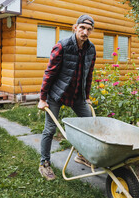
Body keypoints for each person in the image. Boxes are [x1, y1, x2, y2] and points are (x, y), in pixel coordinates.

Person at [37, 14, 96, 180]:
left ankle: (82, 155)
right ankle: (44, 163)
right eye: (82, 28)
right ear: (75, 27)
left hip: (77, 95)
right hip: (56, 94)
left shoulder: (91, 49)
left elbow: (88, 74)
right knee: (50, 129)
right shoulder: (62, 46)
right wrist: (42, 98)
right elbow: (49, 73)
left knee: (90, 123)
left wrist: (86, 96)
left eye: (89, 29)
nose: (85, 32)